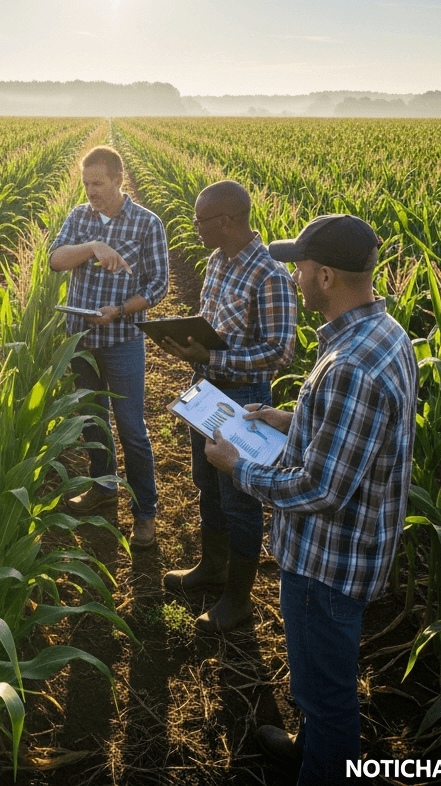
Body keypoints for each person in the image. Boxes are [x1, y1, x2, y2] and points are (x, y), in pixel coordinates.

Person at [203, 215, 417, 785]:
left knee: (327, 695)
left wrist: (239, 466)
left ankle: (321, 766)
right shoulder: (383, 334)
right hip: (347, 552)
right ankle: (310, 745)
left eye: (299, 265)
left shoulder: (349, 366)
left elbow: (321, 488)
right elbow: (354, 433)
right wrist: (288, 418)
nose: (292, 273)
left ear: (324, 276)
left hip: (328, 566)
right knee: (318, 684)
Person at [158, 181, 297, 632]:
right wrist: (188, 347)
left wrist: (212, 357)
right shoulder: (217, 261)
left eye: (200, 221)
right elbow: (213, 325)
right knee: (206, 482)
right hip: (208, 391)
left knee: (239, 496)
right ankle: (211, 568)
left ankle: (237, 601)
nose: (194, 227)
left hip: (245, 398)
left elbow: (279, 353)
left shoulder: (271, 275)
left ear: (227, 222)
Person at [48, 145, 169, 549]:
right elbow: (55, 260)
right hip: (82, 339)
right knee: (92, 421)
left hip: (122, 339)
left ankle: (145, 512)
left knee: (132, 428)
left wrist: (118, 310)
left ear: (118, 179)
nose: (91, 191)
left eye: (97, 183)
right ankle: (103, 488)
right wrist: (93, 247)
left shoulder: (146, 223)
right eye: (85, 184)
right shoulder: (80, 217)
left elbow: (158, 286)